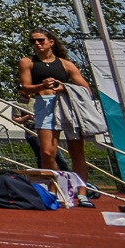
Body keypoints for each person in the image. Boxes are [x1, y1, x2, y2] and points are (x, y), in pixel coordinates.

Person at [21, 27, 95, 183]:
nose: (37, 43)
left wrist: (63, 87)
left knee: (76, 152)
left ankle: (81, 190)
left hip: (66, 105)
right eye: (33, 41)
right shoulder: (27, 62)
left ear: (51, 42)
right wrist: (42, 86)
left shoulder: (66, 64)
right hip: (44, 105)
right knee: (47, 152)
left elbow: (86, 89)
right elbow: (26, 88)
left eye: (40, 40)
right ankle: (56, 187)